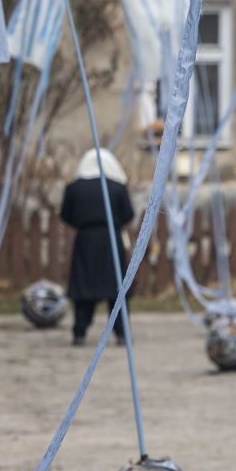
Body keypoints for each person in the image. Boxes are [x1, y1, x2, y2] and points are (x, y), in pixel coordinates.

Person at [60, 148, 135, 346]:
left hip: (85, 241)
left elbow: (66, 214)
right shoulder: (117, 187)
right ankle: (122, 334)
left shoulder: (74, 188)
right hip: (111, 241)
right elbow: (128, 213)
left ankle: (79, 332)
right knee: (116, 289)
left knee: (84, 290)